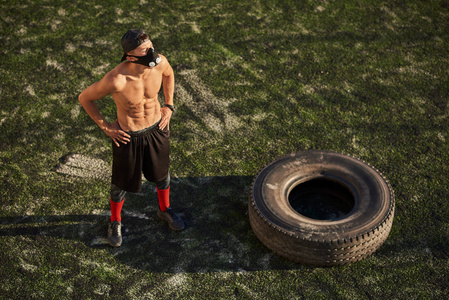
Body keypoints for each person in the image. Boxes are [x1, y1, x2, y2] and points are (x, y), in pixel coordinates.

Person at [79, 29, 185, 248]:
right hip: (128, 136)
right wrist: (106, 127)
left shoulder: (160, 62)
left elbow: (169, 74)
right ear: (130, 56)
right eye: (144, 50)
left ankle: (164, 210)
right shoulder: (116, 80)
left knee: (162, 175)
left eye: (150, 46)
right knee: (121, 184)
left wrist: (169, 105)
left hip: (157, 128)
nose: (151, 53)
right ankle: (115, 221)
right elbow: (85, 98)